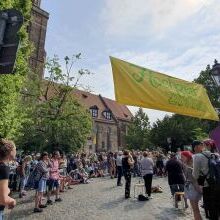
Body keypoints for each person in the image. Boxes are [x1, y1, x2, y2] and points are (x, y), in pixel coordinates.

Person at [181, 151, 202, 220]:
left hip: (193, 189)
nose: (181, 158)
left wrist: (199, 190)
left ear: (187, 157)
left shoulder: (191, 166)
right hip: (191, 188)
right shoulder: (187, 165)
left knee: (195, 209)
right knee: (195, 209)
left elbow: (194, 181)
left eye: (182, 157)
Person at [0, 139, 17, 220]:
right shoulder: (4, 168)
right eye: (15, 149)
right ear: (11, 151)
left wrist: (6, 190)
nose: (16, 152)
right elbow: (3, 199)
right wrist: (12, 201)